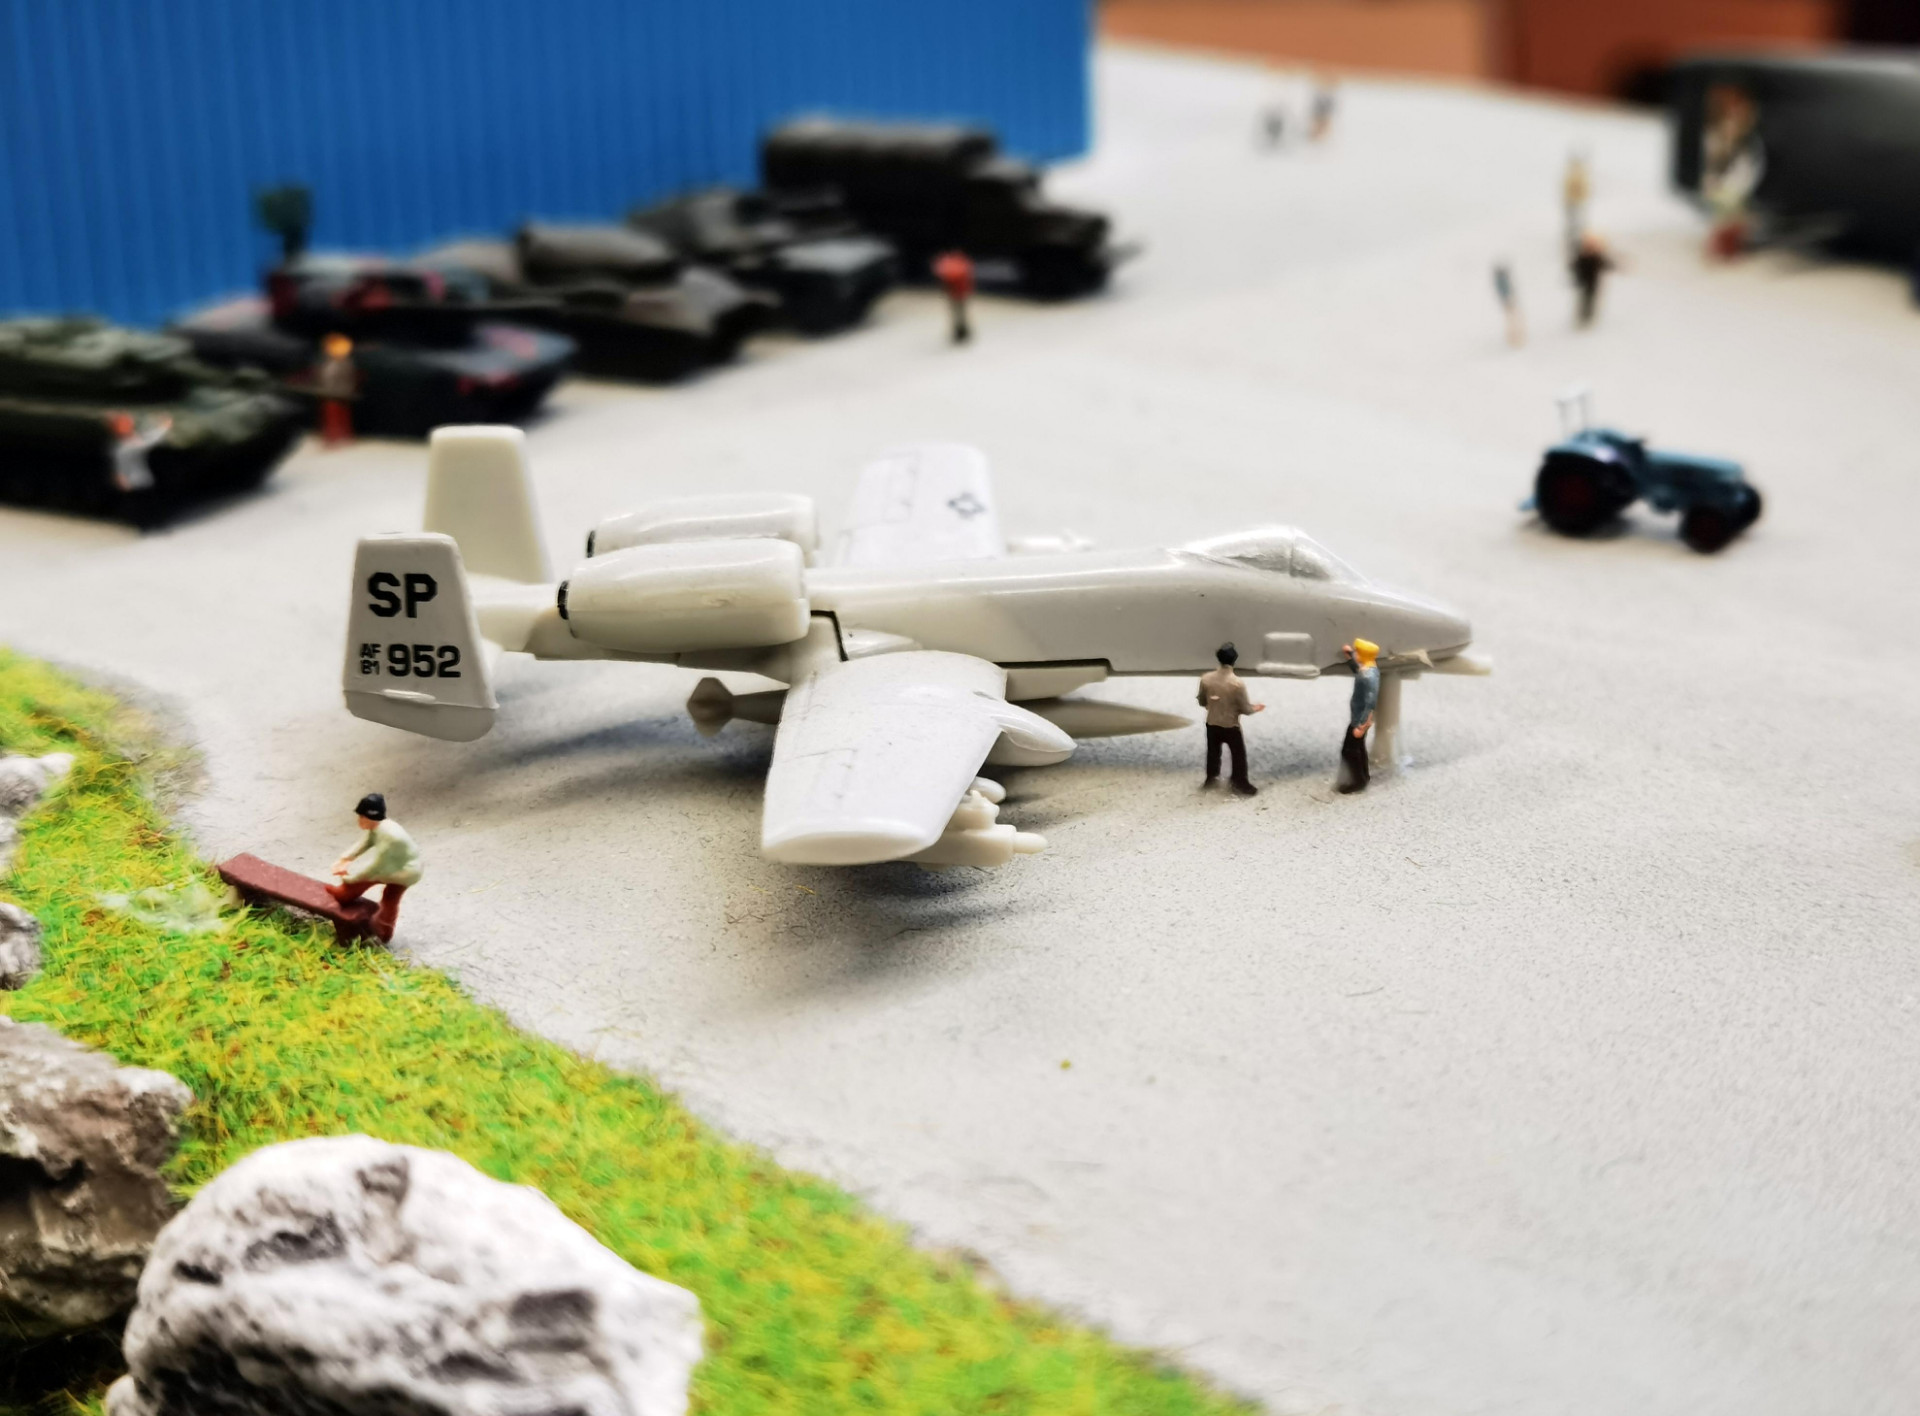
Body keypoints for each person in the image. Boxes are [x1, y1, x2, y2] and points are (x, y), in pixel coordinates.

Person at [327, 793, 421, 943]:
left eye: (361, 817)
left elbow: (376, 868)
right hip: (405, 867)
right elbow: (365, 842)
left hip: (405, 871)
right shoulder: (378, 827)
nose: (359, 821)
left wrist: (351, 879)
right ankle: (385, 930)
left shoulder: (389, 837)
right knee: (390, 895)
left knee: (370, 882)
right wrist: (345, 858)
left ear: (368, 817)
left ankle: (343, 895)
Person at [1197, 642, 1264, 796]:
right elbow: (1246, 709)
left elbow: (1201, 701)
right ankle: (1239, 782)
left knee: (1213, 753)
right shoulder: (1236, 683)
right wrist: (1256, 708)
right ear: (1234, 660)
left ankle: (1211, 778)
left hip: (1212, 722)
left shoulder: (1206, 679)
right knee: (1238, 754)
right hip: (1230, 725)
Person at [1337, 639, 1379, 794]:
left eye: (1358, 653)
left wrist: (1362, 724)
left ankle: (1357, 781)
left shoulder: (1369, 676)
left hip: (1359, 719)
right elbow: (1358, 672)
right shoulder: (1369, 669)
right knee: (1359, 748)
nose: (1357, 654)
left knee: (1349, 751)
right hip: (1358, 716)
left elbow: (1370, 702)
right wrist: (1350, 658)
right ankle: (1363, 777)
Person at [107, 412, 172, 494]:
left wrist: (163, 428)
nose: (130, 423)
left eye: (128, 422)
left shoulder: (130, 441)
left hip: (144, 483)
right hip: (136, 485)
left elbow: (148, 439)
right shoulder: (121, 447)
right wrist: (163, 428)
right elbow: (148, 440)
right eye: (125, 423)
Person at [315, 333, 357, 446]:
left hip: (338, 394)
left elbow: (346, 379)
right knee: (331, 416)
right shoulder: (329, 362)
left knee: (338, 415)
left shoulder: (344, 363)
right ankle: (334, 437)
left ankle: (339, 437)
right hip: (331, 393)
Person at [1569, 233, 1616, 328]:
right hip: (1583, 283)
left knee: (1591, 301)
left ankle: (1588, 318)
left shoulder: (1596, 258)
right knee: (1583, 301)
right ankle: (1582, 318)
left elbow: (1607, 264)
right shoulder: (1582, 257)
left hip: (1593, 284)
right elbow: (1574, 266)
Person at [932, 251, 975, 345]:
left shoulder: (951, 266)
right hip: (957, 294)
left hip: (958, 293)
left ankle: (960, 331)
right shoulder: (959, 265)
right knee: (959, 312)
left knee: (958, 312)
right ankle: (960, 331)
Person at [1492, 262, 1524, 347]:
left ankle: (1514, 338)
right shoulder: (1502, 280)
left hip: (1508, 301)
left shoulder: (1500, 280)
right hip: (1508, 301)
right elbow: (1505, 292)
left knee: (1512, 319)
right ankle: (1514, 339)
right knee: (1512, 320)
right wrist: (1508, 300)